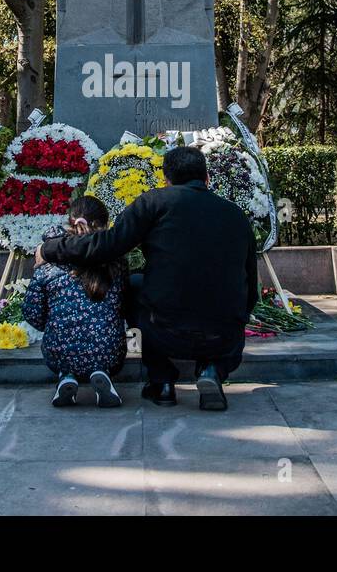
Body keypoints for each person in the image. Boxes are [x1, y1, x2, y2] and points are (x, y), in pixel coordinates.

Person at [35, 146, 257, 411]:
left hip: (166, 330)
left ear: (166, 180)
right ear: (207, 179)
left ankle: (162, 382)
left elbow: (108, 245)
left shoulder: (155, 202)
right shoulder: (237, 216)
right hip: (223, 337)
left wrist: (51, 249)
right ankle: (213, 370)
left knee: (134, 284)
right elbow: (251, 288)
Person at [22, 196, 128, 408]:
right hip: (109, 349)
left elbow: (31, 311)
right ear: (105, 224)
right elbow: (124, 304)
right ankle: (101, 372)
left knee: (64, 350)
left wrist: (53, 322)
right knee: (102, 342)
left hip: (58, 348)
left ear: (69, 221)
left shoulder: (48, 263)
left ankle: (66, 377)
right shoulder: (116, 262)